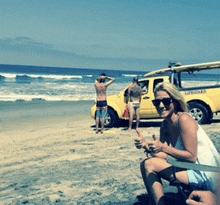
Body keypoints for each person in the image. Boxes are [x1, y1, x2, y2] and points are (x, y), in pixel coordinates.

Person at [134, 82, 220, 205]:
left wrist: (163, 147)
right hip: (190, 169)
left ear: (175, 102)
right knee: (146, 163)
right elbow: (162, 156)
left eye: (166, 101)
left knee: (148, 165)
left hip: (206, 172)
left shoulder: (184, 119)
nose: (161, 105)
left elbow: (191, 156)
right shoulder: (165, 125)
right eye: (157, 102)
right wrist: (148, 147)